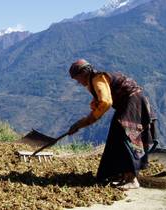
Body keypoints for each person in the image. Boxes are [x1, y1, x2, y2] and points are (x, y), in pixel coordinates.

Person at [67, 59, 158, 190]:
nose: (78, 82)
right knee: (115, 137)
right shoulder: (95, 81)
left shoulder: (98, 79)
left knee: (124, 138)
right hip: (128, 104)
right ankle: (121, 174)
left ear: (84, 73)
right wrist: (80, 124)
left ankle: (132, 179)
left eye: (77, 78)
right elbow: (100, 101)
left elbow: (105, 102)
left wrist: (81, 123)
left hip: (132, 103)